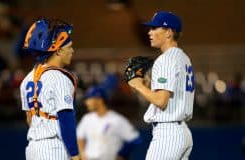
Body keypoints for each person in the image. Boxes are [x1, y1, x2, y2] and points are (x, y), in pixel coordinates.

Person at [127, 11, 194, 159]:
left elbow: (161, 101)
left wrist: (138, 85)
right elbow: (172, 92)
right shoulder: (184, 58)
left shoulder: (165, 59)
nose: (149, 32)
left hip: (168, 133)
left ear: (169, 32)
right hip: (182, 132)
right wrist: (149, 84)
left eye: (154, 28)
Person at [20, 19, 80, 160]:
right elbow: (66, 119)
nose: (72, 51)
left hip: (32, 149)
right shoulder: (59, 78)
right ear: (58, 51)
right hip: (54, 147)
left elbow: (29, 119)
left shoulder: (27, 79)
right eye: (69, 47)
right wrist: (75, 155)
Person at [77, 86, 141, 160]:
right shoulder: (87, 118)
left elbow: (135, 139)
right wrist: (82, 153)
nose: (86, 102)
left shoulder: (117, 119)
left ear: (99, 100)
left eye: (89, 99)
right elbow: (79, 138)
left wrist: (121, 154)